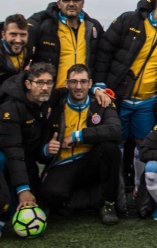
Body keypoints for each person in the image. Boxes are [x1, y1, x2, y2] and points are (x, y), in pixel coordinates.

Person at [40, 64, 122, 225]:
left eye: (83, 82)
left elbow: (116, 131)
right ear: (66, 83)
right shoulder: (55, 106)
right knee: (49, 194)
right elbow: (40, 146)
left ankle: (108, 204)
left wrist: (77, 136)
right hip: (63, 164)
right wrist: (46, 150)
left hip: (90, 161)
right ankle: (90, 199)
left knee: (110, 149)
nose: (79, 86)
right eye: (74, 82)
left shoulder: (102, 102)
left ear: (90, 83)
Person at [94, 0, 157, 144]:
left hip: (147, 103)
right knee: (115, 141)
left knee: (145, 143)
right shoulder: (129, 20)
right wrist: (99, 85)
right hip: (118, 97)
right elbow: (104, 52)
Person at [0, 63, 58, 210]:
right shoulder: (10, 107)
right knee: (9, 208)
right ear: (28, 84)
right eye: (40, 82)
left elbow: (76, 89)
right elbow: (13, 150)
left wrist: (46, 150)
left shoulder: (47, 102)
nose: (45, 87)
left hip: (27, 163)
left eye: (49, 83)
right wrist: (22, 189)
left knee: (43, 201)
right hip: (5, 163)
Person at [28, 0, 105, 88]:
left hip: (81, 91)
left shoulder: (93, 27)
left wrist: (97, 86)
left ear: (82, 3)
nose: (71, 4)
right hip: (52, 91)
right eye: (66, 0)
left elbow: (102, 59)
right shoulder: (46, 27)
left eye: (76, 0)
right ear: (59, 4)